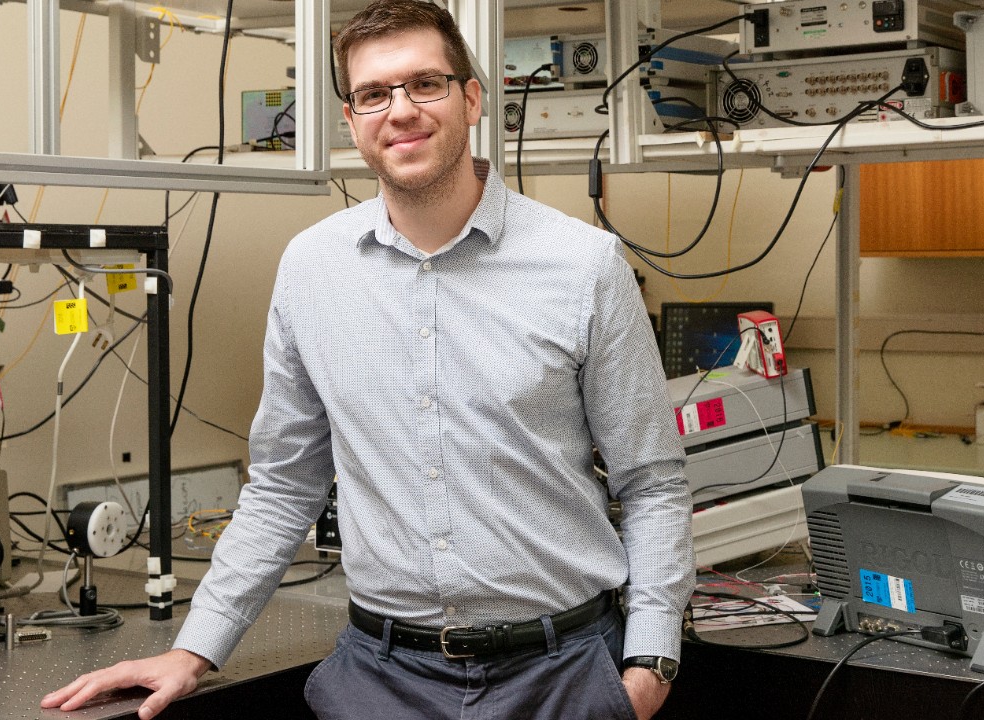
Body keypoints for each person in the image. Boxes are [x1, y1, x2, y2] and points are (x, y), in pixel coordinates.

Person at [41, 2, 694, 718]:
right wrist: (195, 647)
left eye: (426, 84)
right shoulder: (311, 269)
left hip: (562, 675)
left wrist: (650, 666)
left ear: (472, 99)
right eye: (374, 94)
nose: (400, 111)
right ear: (351, 122)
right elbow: (285, 485)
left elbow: (652, 482)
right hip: (382, 683)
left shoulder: (583, 266)